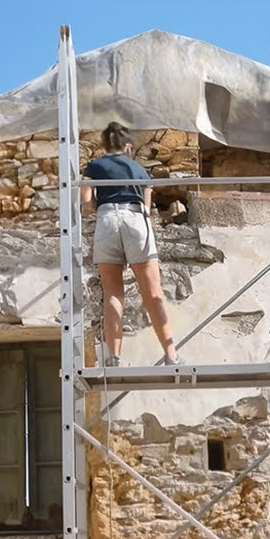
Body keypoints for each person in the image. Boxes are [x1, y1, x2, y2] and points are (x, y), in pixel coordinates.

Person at [81, 121, 180, 367]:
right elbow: (146, 208)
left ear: (104, 145)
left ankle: (113, 358)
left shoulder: (93, 167)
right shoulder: (140, 170)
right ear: (128, 147)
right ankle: (171, 356)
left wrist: (101, 206)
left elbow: (87, 204)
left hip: (107, 220)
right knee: (153, 292)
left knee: (113, 293)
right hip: (136, 219)